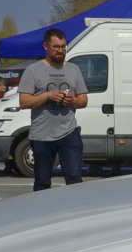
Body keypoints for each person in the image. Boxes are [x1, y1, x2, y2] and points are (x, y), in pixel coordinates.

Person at [17, 28, 88, 191]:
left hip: (69, 132)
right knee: (42, 182)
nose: (60, 51)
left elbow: (83, 100)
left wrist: (72, 100)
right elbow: (23, 101)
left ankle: (75, 214)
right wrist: (47, 96)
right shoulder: (33, 70)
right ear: (46, 47)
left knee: (75, 180)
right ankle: (41, 214)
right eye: (56, 47)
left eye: (63, 47)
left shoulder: (73, 69)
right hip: (42, 135)